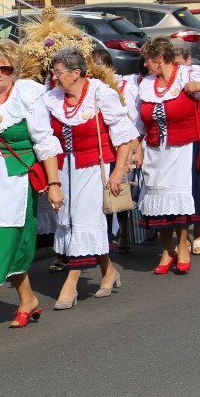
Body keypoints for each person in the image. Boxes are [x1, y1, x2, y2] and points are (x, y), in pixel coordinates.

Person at [0, 40, 63, 342]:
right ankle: (28, 299)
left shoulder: (28, 96)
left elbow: (44, 142)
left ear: (15, 72)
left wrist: (54, 184)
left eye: (4, 68)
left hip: (13, 180)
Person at [44, 47, 139, 309]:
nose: (55, 76)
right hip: (65, 169)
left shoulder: (100, 94)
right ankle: (109, 271)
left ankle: (71, 285)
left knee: (84, 222)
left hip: (94, 169)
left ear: (76, 73)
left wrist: (118, 173)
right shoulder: (52, 99)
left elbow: (124, 136)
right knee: (72, 222)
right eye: (54, 71)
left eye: (59, 72)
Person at [136, 38, 200, 273]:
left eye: (147, 59)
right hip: (156, 151)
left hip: (184, 148)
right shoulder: (146, 85)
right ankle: (167, 251)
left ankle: (183, 245)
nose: (145, 64)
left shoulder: (189, 77)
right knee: (158, 203)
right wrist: (135, 150)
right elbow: (138, 123)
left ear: (159, 59)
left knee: (179, 202)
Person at [92, 48, 141, 253]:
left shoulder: (119, 89)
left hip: (117, 146)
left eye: (101, 69)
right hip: (99, 149)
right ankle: (105, 236)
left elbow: (131, 121)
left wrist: (136, 149)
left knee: (118, 191)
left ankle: (123, 231)